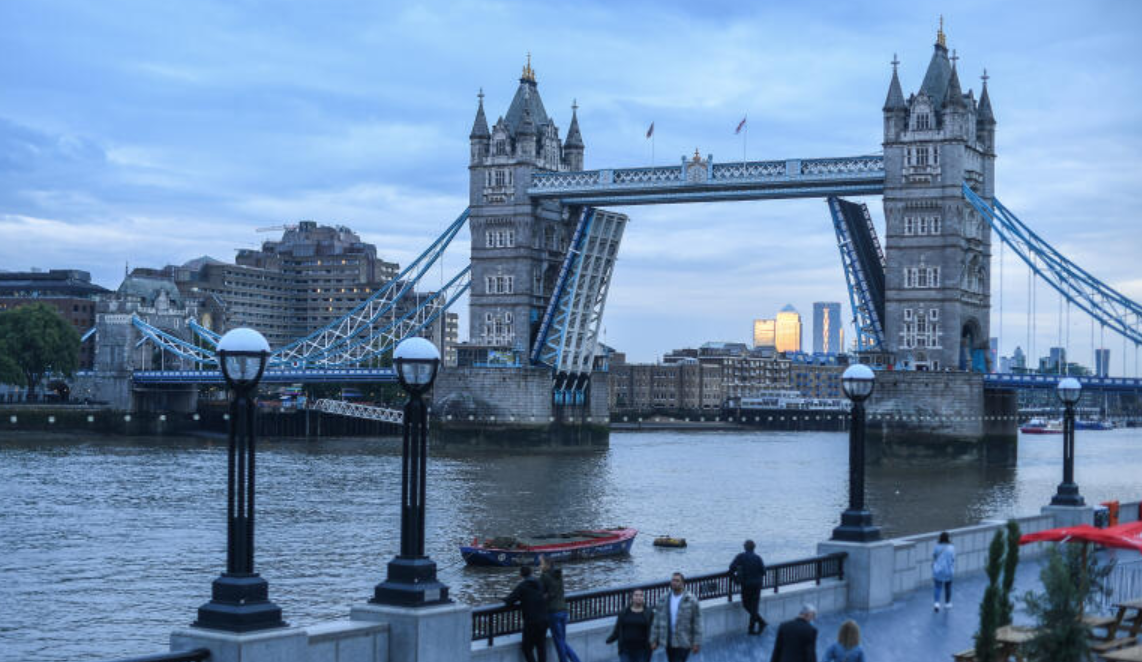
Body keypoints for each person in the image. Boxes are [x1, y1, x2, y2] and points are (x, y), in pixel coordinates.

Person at [650, 572, 703, 662]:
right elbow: (657, 620)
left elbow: (697, 622)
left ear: (683, 583)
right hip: (668, 640)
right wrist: (654, 639)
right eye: (673, 580)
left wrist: (696, 642)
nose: (674, 583)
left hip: (684, 641)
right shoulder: (664, 599)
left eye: (677, 581)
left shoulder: (691, 600)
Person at [539, 556, 580, 662]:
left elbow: (540, 593)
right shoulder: (558, 575)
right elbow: (554, 591)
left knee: (559, 641)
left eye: (541, 563)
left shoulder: (544, 576)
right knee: (562, 640)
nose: (540, 566)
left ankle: (573, 660)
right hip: (564, 611)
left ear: (547, 565)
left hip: (553, 612)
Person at [504, 565, 548, 662]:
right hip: (544, 620)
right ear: (531, 573)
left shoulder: (522, 586)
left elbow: (510, 600)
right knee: (541, 647)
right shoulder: (540, 584)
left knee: (527, 648)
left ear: (521, 575)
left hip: (531, 622)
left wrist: (505, 599)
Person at [730, 538, 768, 635]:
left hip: (746, 585)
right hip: (757, 585)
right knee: (754, 606)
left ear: (745, 547)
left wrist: (736, 578)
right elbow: (764, 572)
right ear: (754, 548)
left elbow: (731, 567)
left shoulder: (741, 557)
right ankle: (752, 628)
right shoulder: (758, 558)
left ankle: (760, 622)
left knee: (746, 605)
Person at [606, 588, 654, 662]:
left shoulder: (649, 613)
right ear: (632, 597)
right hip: (625, 649)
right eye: (636, 595)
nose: (639, 597)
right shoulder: (624, 612)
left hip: (642, 650)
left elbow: (654, 629)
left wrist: (655, 642)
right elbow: (618, 628)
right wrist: (611, 639)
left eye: (641, 595)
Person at [932, 531, 956, 612]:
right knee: (948, 587)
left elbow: (934, 556)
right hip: (948, 571)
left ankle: (936, 604)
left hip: (938, 570)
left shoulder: (937, 547)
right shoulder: (951, 547)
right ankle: (947, 603)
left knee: (937, 587)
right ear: (948, 538)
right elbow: (953, 559)